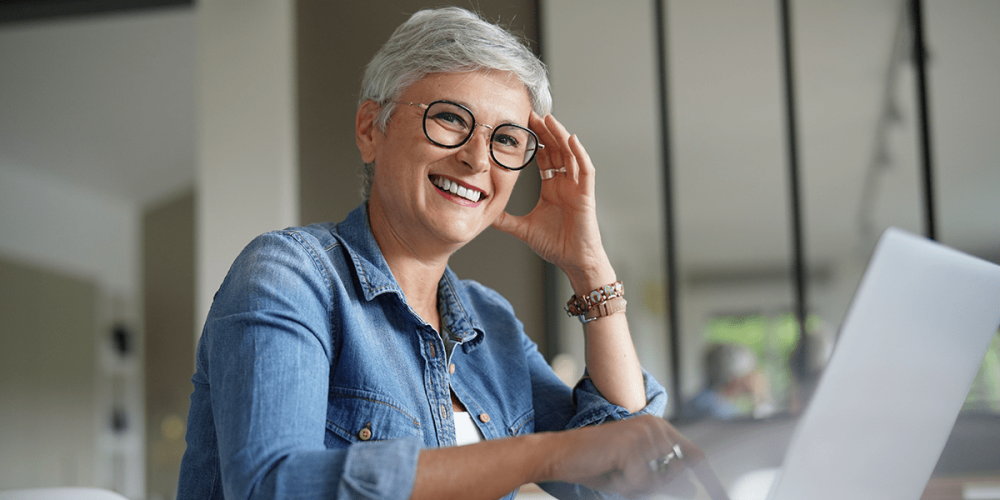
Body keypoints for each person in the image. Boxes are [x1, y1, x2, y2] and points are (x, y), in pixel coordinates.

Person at [178, 7, 702, 499]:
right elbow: (274, 484)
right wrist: (536, 455)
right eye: (451, 118)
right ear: (370, 130)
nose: (478, 159)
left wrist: (590, 270)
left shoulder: (491, 324)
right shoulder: (288, 275)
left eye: (507, 140)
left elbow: (617, 480)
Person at [683, 343, 773, 421]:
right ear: (735, 377)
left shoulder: (700, 401)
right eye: (750, 372)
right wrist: (759, 398)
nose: (756, 376)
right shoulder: (719, 412)